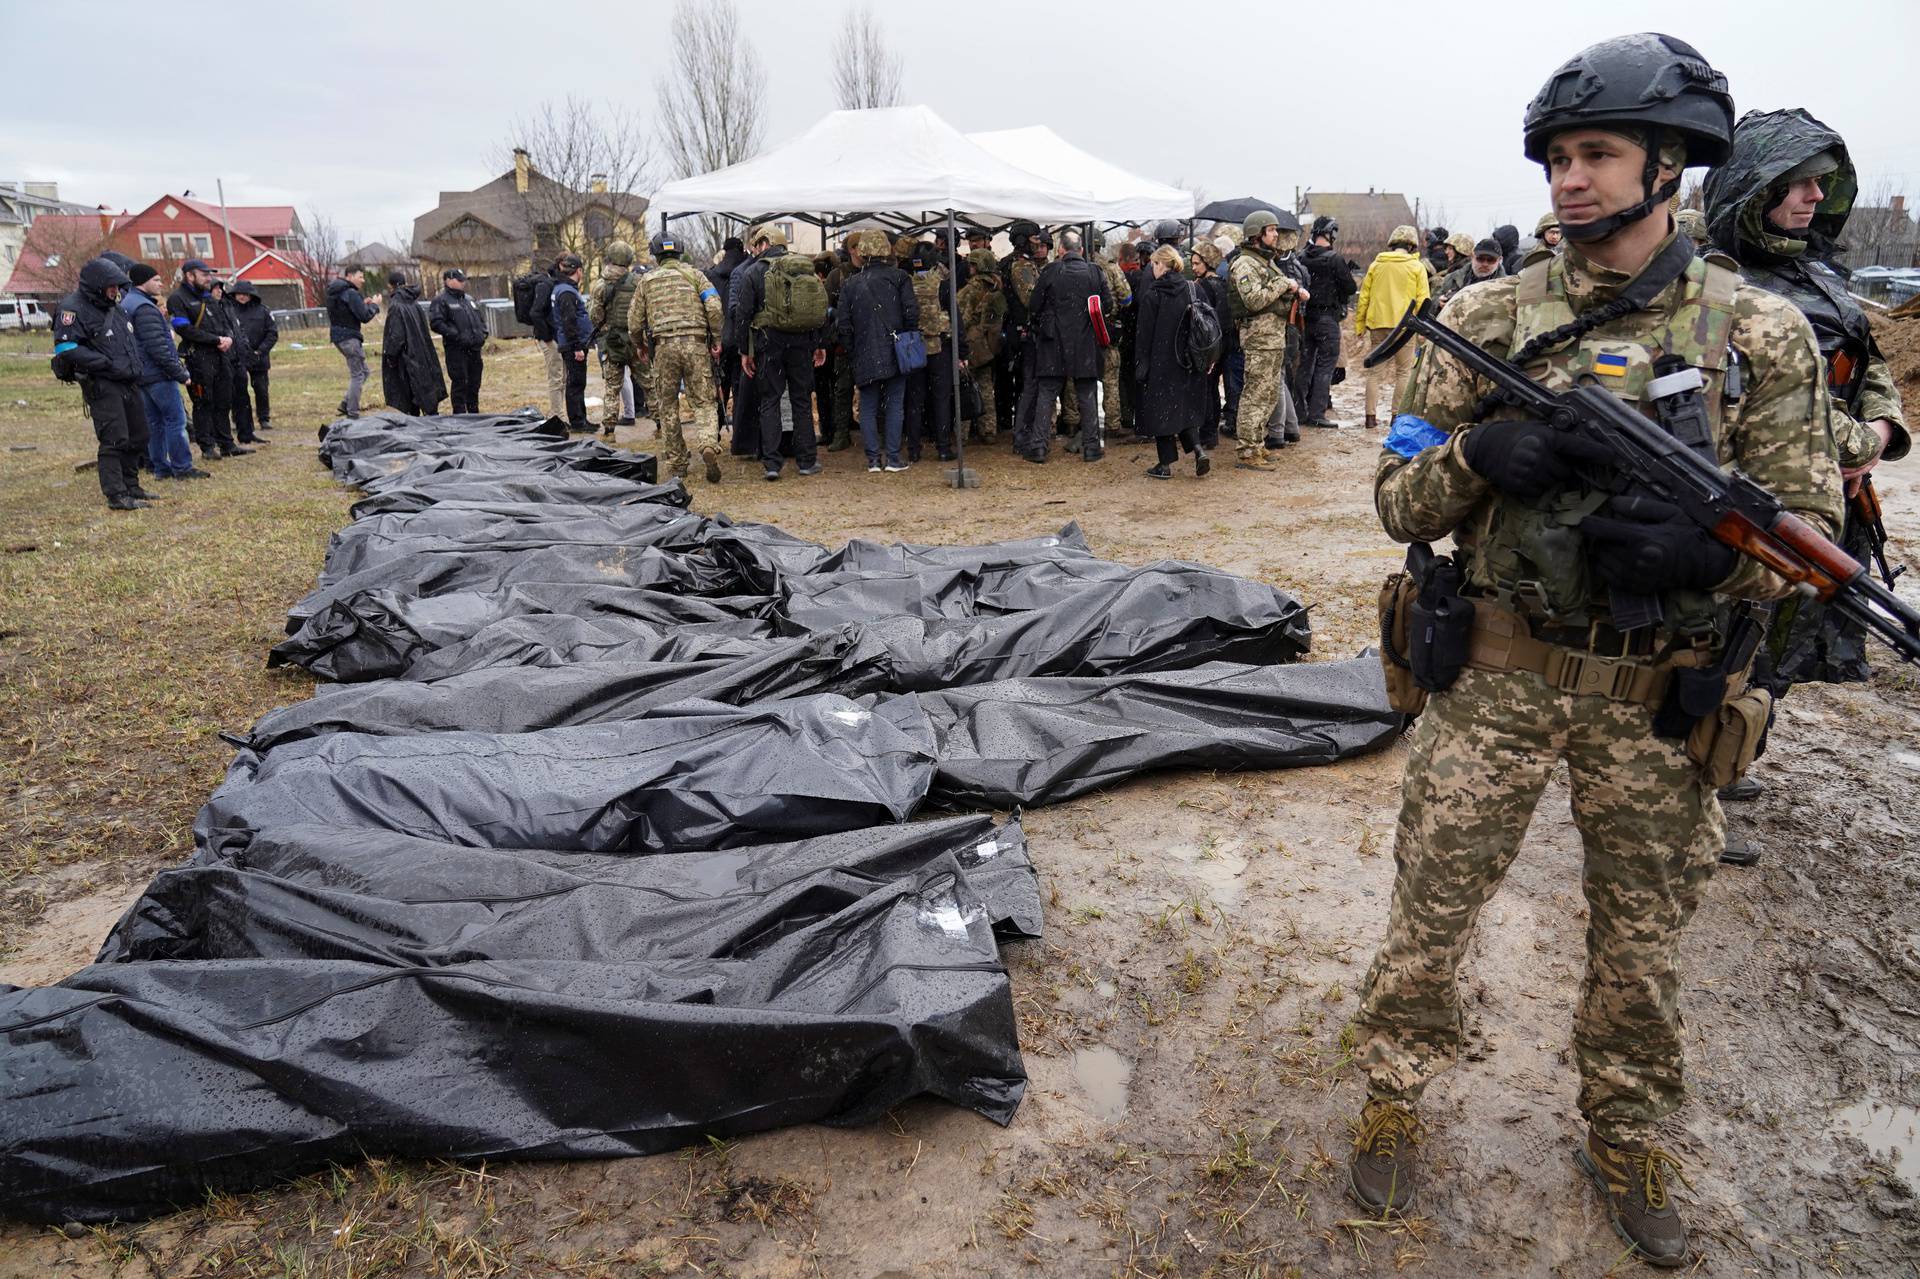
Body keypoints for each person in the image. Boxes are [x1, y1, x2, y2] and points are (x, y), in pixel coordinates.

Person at [1349, 34, 1844, 1269]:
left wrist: (1702, 554)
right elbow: (1398, 502)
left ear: (1668, 167)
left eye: (1599, 155)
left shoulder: (1762, 334)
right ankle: (1394, 1093)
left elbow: (1811, 539)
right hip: (1500, 673)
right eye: (1559, 157)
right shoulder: (1480, 316)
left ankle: (1624, 1129)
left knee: (1641, 939)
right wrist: (1475, 461)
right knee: (1430, 908)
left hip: (1655, 691)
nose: (1571, 180)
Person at [1702, 107, 1910, 858]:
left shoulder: (1819, 271)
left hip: (1833, 493)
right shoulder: (1715, 286)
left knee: (1784, 645)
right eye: (1796, 183)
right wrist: (1851, 442)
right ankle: (1694, 791)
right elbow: (1741, 401)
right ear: (1752, 189)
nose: (1815, 198)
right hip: (1759, 495)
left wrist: (1879, 433)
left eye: (1822, 183)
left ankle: (1728, 757)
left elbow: (1873, 363)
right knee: (1729, 641)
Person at [53, 257, 157, 509]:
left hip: (128, 380)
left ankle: (132, 485)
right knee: (114, 438)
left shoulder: (114, 307)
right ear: (97, 285)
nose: (116, 291)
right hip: (102, 383)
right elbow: (66, 347)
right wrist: (107, 364)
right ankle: (116, 493)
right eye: (112, 286)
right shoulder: (72, 308)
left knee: (139, 435)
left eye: (118, 286)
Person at [628, 230, 725, 483]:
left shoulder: (646, 281)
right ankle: (707, 444)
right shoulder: (696, 276)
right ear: (680, 252)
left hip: (664, 347)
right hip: (695, 344)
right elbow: (714, 307)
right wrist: (715, 338)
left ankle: (678, 463)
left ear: (656, 255)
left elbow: (634, 321)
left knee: (668, 405)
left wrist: (639, 344)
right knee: (704, 402)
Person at [736, 224, 826, 481]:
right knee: (801, 401)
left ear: (763, 244)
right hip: (801, 344)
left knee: (770, 401)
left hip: (768, 345)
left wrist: (745, 351)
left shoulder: (753, 273)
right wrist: (818, 343)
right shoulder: (802, 269)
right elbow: (816, 310)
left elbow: (742, 315)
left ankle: (773, 463)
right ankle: (807, 461)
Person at [1227, 210, 1309, 470]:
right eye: (1271, 230)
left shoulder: (1264, 261)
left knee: (1269, 394)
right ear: (1257, 235)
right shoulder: (1244, 264)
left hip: (1273, 337)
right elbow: (1254, 300)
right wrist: (1284, 284)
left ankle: (1258, 445)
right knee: (1255, 394)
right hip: (1259, 339)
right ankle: (1248, 451)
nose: (1276, 235)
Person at [1021, 230, 1110, 464]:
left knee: (1047, 395)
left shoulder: (1051, 271)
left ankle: (1039, 447)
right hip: (1085, 343)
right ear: (1081, 250)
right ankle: (1091, 447)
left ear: (1061, 250)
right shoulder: (1094, 272)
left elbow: (1034, 304)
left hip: (1053, 343)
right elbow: (1107, 305)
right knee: (1087, 395)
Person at [835, 228, 917, 472]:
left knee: (868, 407)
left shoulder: (850, 284)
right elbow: (912, 314)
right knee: (894, 405)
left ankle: (872, 460)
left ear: (863, 252)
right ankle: (893, 458)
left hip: (863, 351)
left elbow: (843, 324)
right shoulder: (900, 278)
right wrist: (906, 338)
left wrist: (853, 349)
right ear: (886, 250)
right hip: (896, 350)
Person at [1132, 246, 1211, 480]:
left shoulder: (1153, 294)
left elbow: (1144, 335)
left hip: (1161, 362)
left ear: (1162, 265)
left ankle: (1165, 464)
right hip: (1189, 359)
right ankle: (1198, 450)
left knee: (1162, 412)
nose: (1152, 269)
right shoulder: (1193, 288)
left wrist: (1141, 364)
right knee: (1185, 407)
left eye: (1154, 264)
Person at [120, 262, 203, 481]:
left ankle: (161, 468)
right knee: (175, 421)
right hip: (157, 374)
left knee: (154, 424)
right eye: (156, 280)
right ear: (143, 282)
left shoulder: (127, 303)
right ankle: (182, 467)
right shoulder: (145, 308)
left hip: (141, 375)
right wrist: (180, 373)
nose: (160, 284)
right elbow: (158, 348)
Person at [168, 259, 249, 459]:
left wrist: (228, 337)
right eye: (204, 275)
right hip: (198, 357)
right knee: (203, 402)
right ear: (190, 275)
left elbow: (225, 322)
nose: (209, 278)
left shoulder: (209, 298)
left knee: (224, 399)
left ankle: (227, 444)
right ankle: (207, 447)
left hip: (221, 356)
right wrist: (215, 340)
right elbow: (184, 328)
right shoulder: (178, 299)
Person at [1353, 226, 1430, 429]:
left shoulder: (1376, 265)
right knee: (1403, 372)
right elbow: (1424, 300)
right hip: (1405, 327)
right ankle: (1397, 417)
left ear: (1392, 243)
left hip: (1378, 325)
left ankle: (1370, 418)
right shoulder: (1417, 267)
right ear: (1412, 245)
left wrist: (1360, 324)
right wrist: (1422, 327)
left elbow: (1364, 298)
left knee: (1374, 373)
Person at [1299, 216, 1357, 429]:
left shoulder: (1301, 257)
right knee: (1325, 367)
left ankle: (1298, 412)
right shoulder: (1334, 259)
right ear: (1329, 233)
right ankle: (1317, 414)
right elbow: (1350, 288)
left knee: (1303, 366)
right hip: (1327, 319)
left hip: (1306, 319)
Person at [905, 240, 960, 463]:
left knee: (914, 400)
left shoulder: (905, 282)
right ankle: (943, 448)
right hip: (939, 346)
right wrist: (962, 349)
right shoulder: (943, 282)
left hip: (913, 346)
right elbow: (955, 317)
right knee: (941, 400)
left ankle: (914, 449)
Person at [587, 241, 643, 435]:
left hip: (612, 342)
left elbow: (595, 316)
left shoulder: (600, 285)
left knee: (612, 386)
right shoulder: (638, 282)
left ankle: (609, 430)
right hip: (636, 341)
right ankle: (661, 426)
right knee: (649, 385)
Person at [956, 247, 1006, 443]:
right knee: (986, 387)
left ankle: (963, 433)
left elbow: (961, 318)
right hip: (989, 343)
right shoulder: (997, 287)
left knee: (964, 386)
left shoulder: (970, 290)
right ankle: (989, 430)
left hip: (970, 342)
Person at [379, 269, 446, 416]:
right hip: (421, 355)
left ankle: (416, 423)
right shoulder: (415, 303)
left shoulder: (396, 305)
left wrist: (390, 357)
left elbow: (396, 337)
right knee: (424, 393)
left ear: (392, 286)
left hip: (407, 359)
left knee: (409, 397)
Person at [1190, 241, 1232, 448]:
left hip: (1209, 346)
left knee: (1206, 390)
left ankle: (1207, 434)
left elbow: (1203, 320)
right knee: (1213, 390)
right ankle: (1211, 432)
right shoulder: (1222, 283)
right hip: (1224, 345)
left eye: (1197, 263)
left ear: (1208, 262)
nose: (1194, 267)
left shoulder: (1204, 286)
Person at [428, 268, 487, 414]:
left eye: (463, 280)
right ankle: (460, 415)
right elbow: (436, 323)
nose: (462, 283)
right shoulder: (441, 300)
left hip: (474, 349)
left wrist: (483, 333)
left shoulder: (468, 299)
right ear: (448, 280)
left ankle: (474, 413)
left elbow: (480, 319)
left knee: (474, 384)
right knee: (460, 383)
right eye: (459, 280)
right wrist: (456, 335)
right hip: (457, 351)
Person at [326, 265, 381, 420]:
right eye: (360, 277)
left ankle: (346, 403)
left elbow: (347, 311)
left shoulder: (336, 291)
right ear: (349, 276)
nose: (363, 280)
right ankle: (352, 412)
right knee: (358, 374)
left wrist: (363, 303)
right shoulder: (350, 293)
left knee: (364, 372)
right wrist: (374, 305)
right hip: (350, 338)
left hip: (339, 337)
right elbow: (365, 316)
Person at [225, 279, 277, 437]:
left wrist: (260, 351)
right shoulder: (228, 310)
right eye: (238, 294)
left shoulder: (263, 310)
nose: (241, 297)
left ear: (251, 295)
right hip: (237, 357)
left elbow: (272, 333)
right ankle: (238, 419)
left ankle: (264, 418)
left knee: (261, 389)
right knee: (238, 390)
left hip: (258, 356)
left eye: (245, 294)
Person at [548, 255, 591, 432]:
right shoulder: (566, 292)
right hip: (574, 344)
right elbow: (569, 321)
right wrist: (576, 347)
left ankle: (582, 418)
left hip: (572, 342)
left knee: (578, 382)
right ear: (578, 271)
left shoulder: (562, 288)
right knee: (575, 383)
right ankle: (578, 422)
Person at [527, 257, 567, 418]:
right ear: (560, 265)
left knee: (562, 377)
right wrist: (548, 337)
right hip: (550, 339)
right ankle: (558, 415)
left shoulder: (558, 284)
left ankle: (559, 413)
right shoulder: (546, 285)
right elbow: (535, 312)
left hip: (558, 337)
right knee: (556, 378)